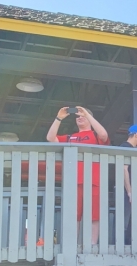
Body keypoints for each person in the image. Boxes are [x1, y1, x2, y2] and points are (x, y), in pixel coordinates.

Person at [46, 105, 110, 245]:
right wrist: (59, 118)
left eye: (83, 116)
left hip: (93, 180)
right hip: (73, 181)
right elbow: (50, 138)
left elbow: (104, 135)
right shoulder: (70, 137)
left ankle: (92, 244)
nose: (80, 118)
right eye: (78, 116)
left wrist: (87, 114)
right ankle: (72, 245)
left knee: (94, 215)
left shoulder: (95, 135)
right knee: (74, 215)